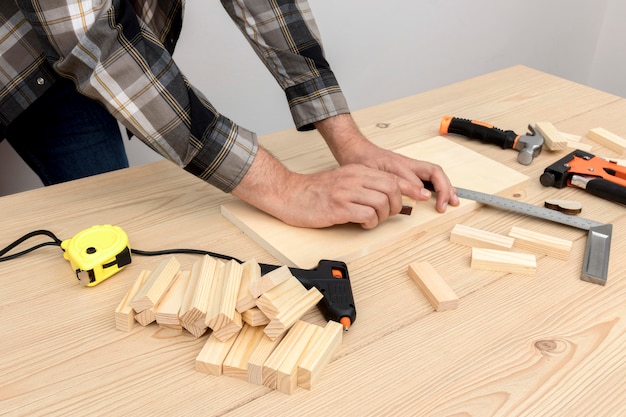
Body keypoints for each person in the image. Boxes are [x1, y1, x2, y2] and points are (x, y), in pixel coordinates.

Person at [0, 0, 458, 229]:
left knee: (109, 236)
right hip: (19, 51)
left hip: (74, 55)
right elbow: (97, 42)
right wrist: (283, 187)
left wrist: (348, 140)